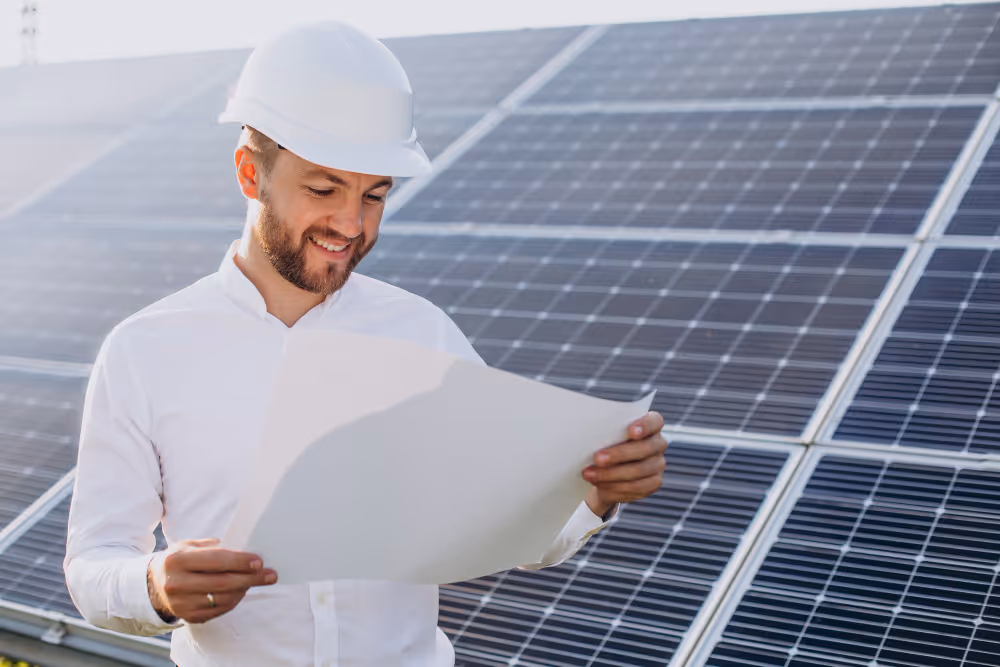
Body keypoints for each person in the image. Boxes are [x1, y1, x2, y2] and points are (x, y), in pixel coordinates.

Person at [63, 21, 668, 667]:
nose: (350, 224)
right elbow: (94, 566)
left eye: (374, 195)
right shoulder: (145, 351)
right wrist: (154, 583)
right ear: (249, 172)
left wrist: (597, 492)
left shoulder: (423, 334)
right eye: (323, 189)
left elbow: (519, 535)